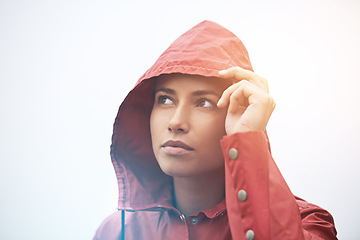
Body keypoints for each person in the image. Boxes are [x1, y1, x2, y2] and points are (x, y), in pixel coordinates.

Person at [93, 20, 337, 240]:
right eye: (165, 99)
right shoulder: (116, 232)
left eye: (204, 103)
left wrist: (248, 138)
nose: (176, 122)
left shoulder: (310, 224)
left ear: (238, 113)